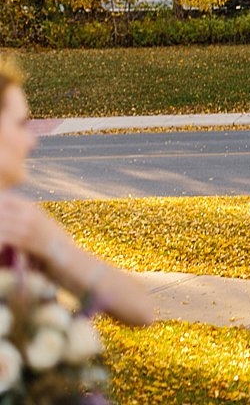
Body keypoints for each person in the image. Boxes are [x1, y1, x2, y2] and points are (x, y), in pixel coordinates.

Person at [0, 57, 154, 327]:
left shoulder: (22, 227)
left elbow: (140, 311)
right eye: (21, 125)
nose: (32, 142)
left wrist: (54, 245)